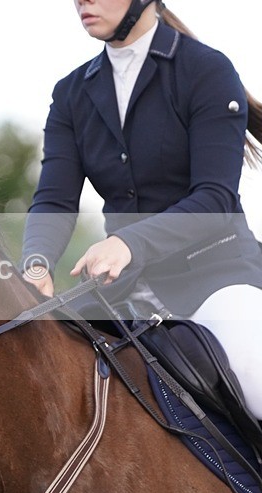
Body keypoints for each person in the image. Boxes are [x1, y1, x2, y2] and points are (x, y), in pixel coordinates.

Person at [20, 0, 262, 419]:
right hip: (124, 293)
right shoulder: (72, 93)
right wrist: (37, 264)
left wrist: (128, 243)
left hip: (216, 281)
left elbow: (215, 199)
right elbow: (54, 201)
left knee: (253, 371)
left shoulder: (206, 70)